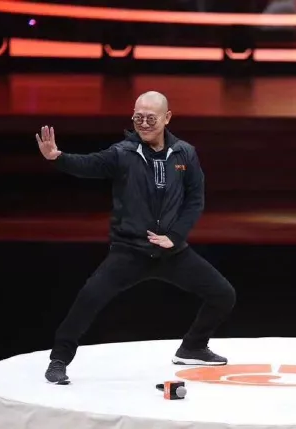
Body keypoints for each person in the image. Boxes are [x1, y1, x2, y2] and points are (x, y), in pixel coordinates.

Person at [36, 91, 236, 385]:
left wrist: (175, 236)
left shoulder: (185, 153)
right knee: (88, 299)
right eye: (137, 118)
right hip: (129, 251)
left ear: (167, 118)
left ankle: (193, 347)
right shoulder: (123, 153)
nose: (143, 123)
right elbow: (89, 164)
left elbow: (195, 200)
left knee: (223, 294)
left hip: (171, 252)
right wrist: (58, 158)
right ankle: (59, 360)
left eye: (150, 118)